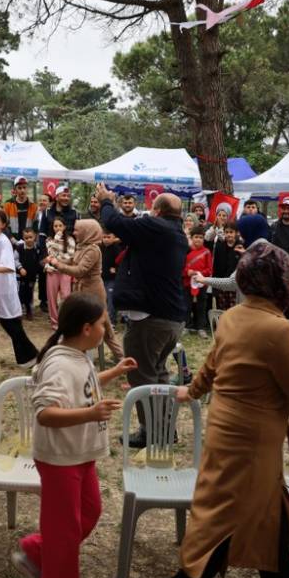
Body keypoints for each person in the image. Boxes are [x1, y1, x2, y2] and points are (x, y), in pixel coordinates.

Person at [141, 240, 289, 578]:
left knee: (260, 525)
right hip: (253, 448)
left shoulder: (232, 317)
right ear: (283, 282)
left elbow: (213, 365)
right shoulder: (280, 330)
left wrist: (192, 391)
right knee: (222, 534)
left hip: (227, 435)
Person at [11, 293, 136, 578]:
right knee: (65, 536)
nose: (106, 329)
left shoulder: (78, 355)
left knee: (89, 514)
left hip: (80, 455)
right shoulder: (60, 363)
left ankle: (37, 551)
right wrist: (91, 414)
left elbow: (85, 385)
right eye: (102, 324)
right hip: (59, 460)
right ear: (86, 328)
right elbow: (45, 413)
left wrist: (115, 372)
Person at [98, 184, 187, 449]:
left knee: (140, 375)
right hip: (169, 318)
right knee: (157, 374)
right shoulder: (175, 233)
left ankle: (152, 433)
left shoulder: (157, 227)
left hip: (152, 319)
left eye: (151, 209)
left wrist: (105, 201)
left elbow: (114, 222)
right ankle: (163, 429)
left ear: (157, 211)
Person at [47, 219, 124, 359]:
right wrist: (57, 260)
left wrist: (58, 265)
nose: (74, 233)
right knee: (79, 327)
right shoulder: (82, 246)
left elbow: (80, 270)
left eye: (77, 230)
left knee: (106, 329)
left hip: (93, 292)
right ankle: (77, 357)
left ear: (87, 232)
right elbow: (73, 261)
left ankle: (122, 360)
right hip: (81, 290)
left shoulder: (93, 250)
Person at [0, 210, 39, 365]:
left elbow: (8, 266)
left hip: (3, 291)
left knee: (12, 326)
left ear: (3, 224)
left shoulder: (3, 240)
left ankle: (31, 356)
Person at [44, 216, 76, 329]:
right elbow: (50, 253)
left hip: (65, 271)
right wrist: (56, 239)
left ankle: (65, 321)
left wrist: (56, 259)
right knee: (51, 298)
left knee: (66, 297)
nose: (58, 228)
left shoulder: (70, 240)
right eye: (55, 226)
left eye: (60, 226)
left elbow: (70, 258)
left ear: (64, 227)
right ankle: (54, 322)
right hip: (52, 272)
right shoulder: (49, 240)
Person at [182, 226, 213, 337]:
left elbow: (209, 269)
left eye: (200, 237)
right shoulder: (186, 251)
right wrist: (187, 272)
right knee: (186, 305)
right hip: (187, 284)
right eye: (196, 237)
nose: (198, 240)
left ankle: (200, 327)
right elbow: (181, 267)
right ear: (191, 238)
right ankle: (186, 326)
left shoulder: (206, 252)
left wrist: (200, 274)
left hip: (201, 284)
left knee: (201, 306)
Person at [209, 222, 241, 311]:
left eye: (231, 232)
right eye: (226, 232)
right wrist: (215, 286)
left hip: (235, 285)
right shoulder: (220, 246)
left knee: (234, 310)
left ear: (236, 233)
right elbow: (216, 266)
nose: (229, 234)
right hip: (221, 283)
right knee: (222, 310)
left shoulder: (240, 246)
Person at [17, 228, 43, 319]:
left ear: (35, 237)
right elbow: (14, 259)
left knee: (29, 294)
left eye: (30, 237)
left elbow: (40, 261)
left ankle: (29, 310)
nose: (28, 240)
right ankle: (18, 310)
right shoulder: (20, 248)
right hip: (21, 276)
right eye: (26, 238)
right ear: (23, 238)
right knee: (20, 293)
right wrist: (20, 268)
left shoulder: (37, 248)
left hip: (32, 276)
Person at [101, 229, 123, 323]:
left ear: (114, 238)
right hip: (102, 278)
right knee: (103, 300)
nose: (106, 239)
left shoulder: (116, 248)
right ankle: (104, 320)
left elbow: (122, 262)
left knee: (111, 301)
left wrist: (116, 269)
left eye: (108, 237)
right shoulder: (100, 248)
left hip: (112, 280)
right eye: (104, 237)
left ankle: (112, 322)